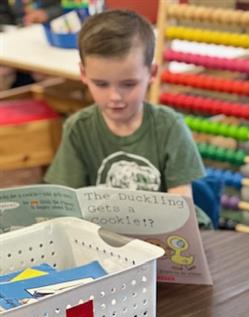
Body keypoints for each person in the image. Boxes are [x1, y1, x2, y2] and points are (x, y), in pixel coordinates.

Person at [44, 9, 211, 228]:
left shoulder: (170, 128)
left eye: (129, 84)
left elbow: (181, 216)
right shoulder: (78, 128)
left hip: (164, 240)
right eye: (101, 84)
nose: (115, 97)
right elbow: (67, 207)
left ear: (151, 73)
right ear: (83, 74)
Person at [0, 0, 63, 89]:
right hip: (14, 38)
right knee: (3, 72)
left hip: (49, 38)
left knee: (47, 75)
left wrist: (48, 14)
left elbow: (71, 6)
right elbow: (3, 13)